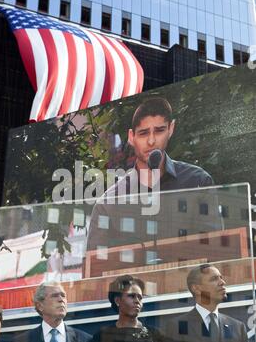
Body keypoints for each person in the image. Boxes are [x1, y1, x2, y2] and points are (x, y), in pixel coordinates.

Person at [86, 97, 215, 252]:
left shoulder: (198, 181)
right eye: (143, 133)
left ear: (171, 129)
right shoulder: (109, 203)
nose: (151, 141)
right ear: (131, 137)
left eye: (159, 131)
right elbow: (95, 268)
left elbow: (215, 250)